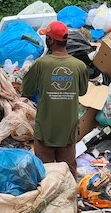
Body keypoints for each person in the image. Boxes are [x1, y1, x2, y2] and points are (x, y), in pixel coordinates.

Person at [22, 21, 89, 178]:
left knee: (45, 174)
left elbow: (27, 90)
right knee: (68, 172)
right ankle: (70, 201)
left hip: (46, 128)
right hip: (68, 129)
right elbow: (83, 91)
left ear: (51, 40)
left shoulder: (40, 64)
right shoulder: (79, 66)